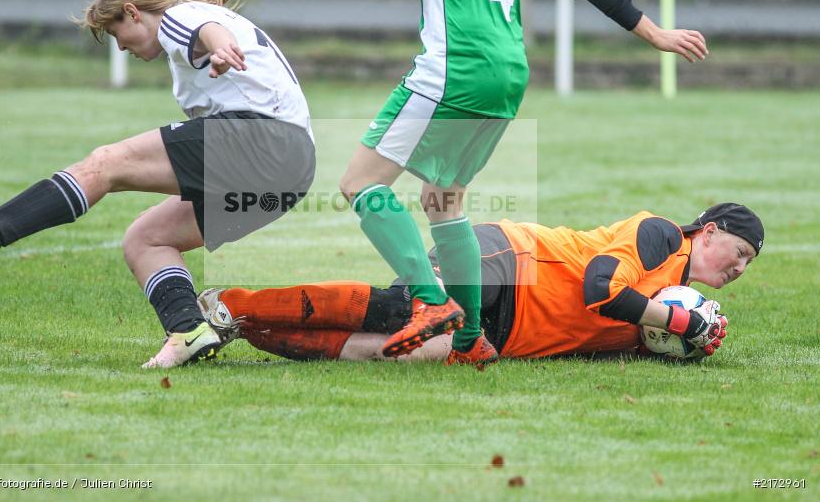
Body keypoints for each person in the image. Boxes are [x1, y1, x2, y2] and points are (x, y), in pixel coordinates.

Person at [337, 0, 710, 368]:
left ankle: (431, 302)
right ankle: (469, 338)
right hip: (509, 75)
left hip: (455, 69)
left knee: (359, 183)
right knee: (443, 199)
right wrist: (655, 34)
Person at [0, 0, 316, 369]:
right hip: (291, 175)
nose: (121, 47)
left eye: (116, 33)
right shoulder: (193, 23)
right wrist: (218, 49)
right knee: (146, 239)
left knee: (105, 164)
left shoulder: (178, 17)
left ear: (132, 12)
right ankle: (188, 331)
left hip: (265, 140)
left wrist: (220, 47)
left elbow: (207, 31)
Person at [195, 203, 762, 365]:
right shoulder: (661, 235)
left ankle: (245, 327)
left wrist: (680, 344)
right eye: (739, 253)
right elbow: (600, 290)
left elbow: (623, 328)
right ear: (709, 232)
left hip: (509, 333)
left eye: (747, 265)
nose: (738, 269)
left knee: (389, 352)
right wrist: (679, 321)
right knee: (403, 311)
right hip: (512, 263)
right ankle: (231, 303)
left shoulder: (667, 304)